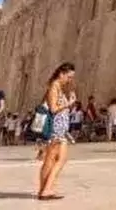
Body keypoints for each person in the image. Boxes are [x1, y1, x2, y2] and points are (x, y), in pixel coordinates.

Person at [38, 62, 76, 201]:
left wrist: (68, 104)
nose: (70, 80)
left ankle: (44, 189)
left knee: (53, 160)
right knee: (54, 160)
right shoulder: (54, 87)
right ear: (61, 74)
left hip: (61, 128)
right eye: (69, 77)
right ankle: (46, 189)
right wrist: (69, 103)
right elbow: (54, 108)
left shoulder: (58, 87)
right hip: (56, 129)